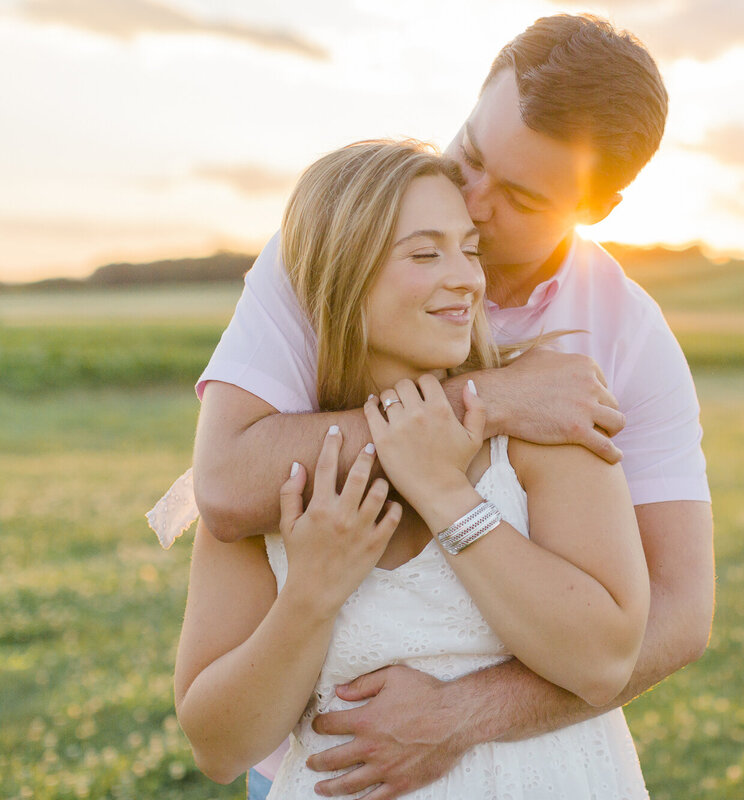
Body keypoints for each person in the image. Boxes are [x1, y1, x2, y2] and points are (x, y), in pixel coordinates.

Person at [181, 13, 713, 799]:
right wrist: (489, 399)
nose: (472, 200)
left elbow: (675, 613)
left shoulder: (623, 340)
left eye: (521, 196)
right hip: (321, 763)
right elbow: (226, 485)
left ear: (596, 206)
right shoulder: (328, 244)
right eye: (468, 155)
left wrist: (463, 715)